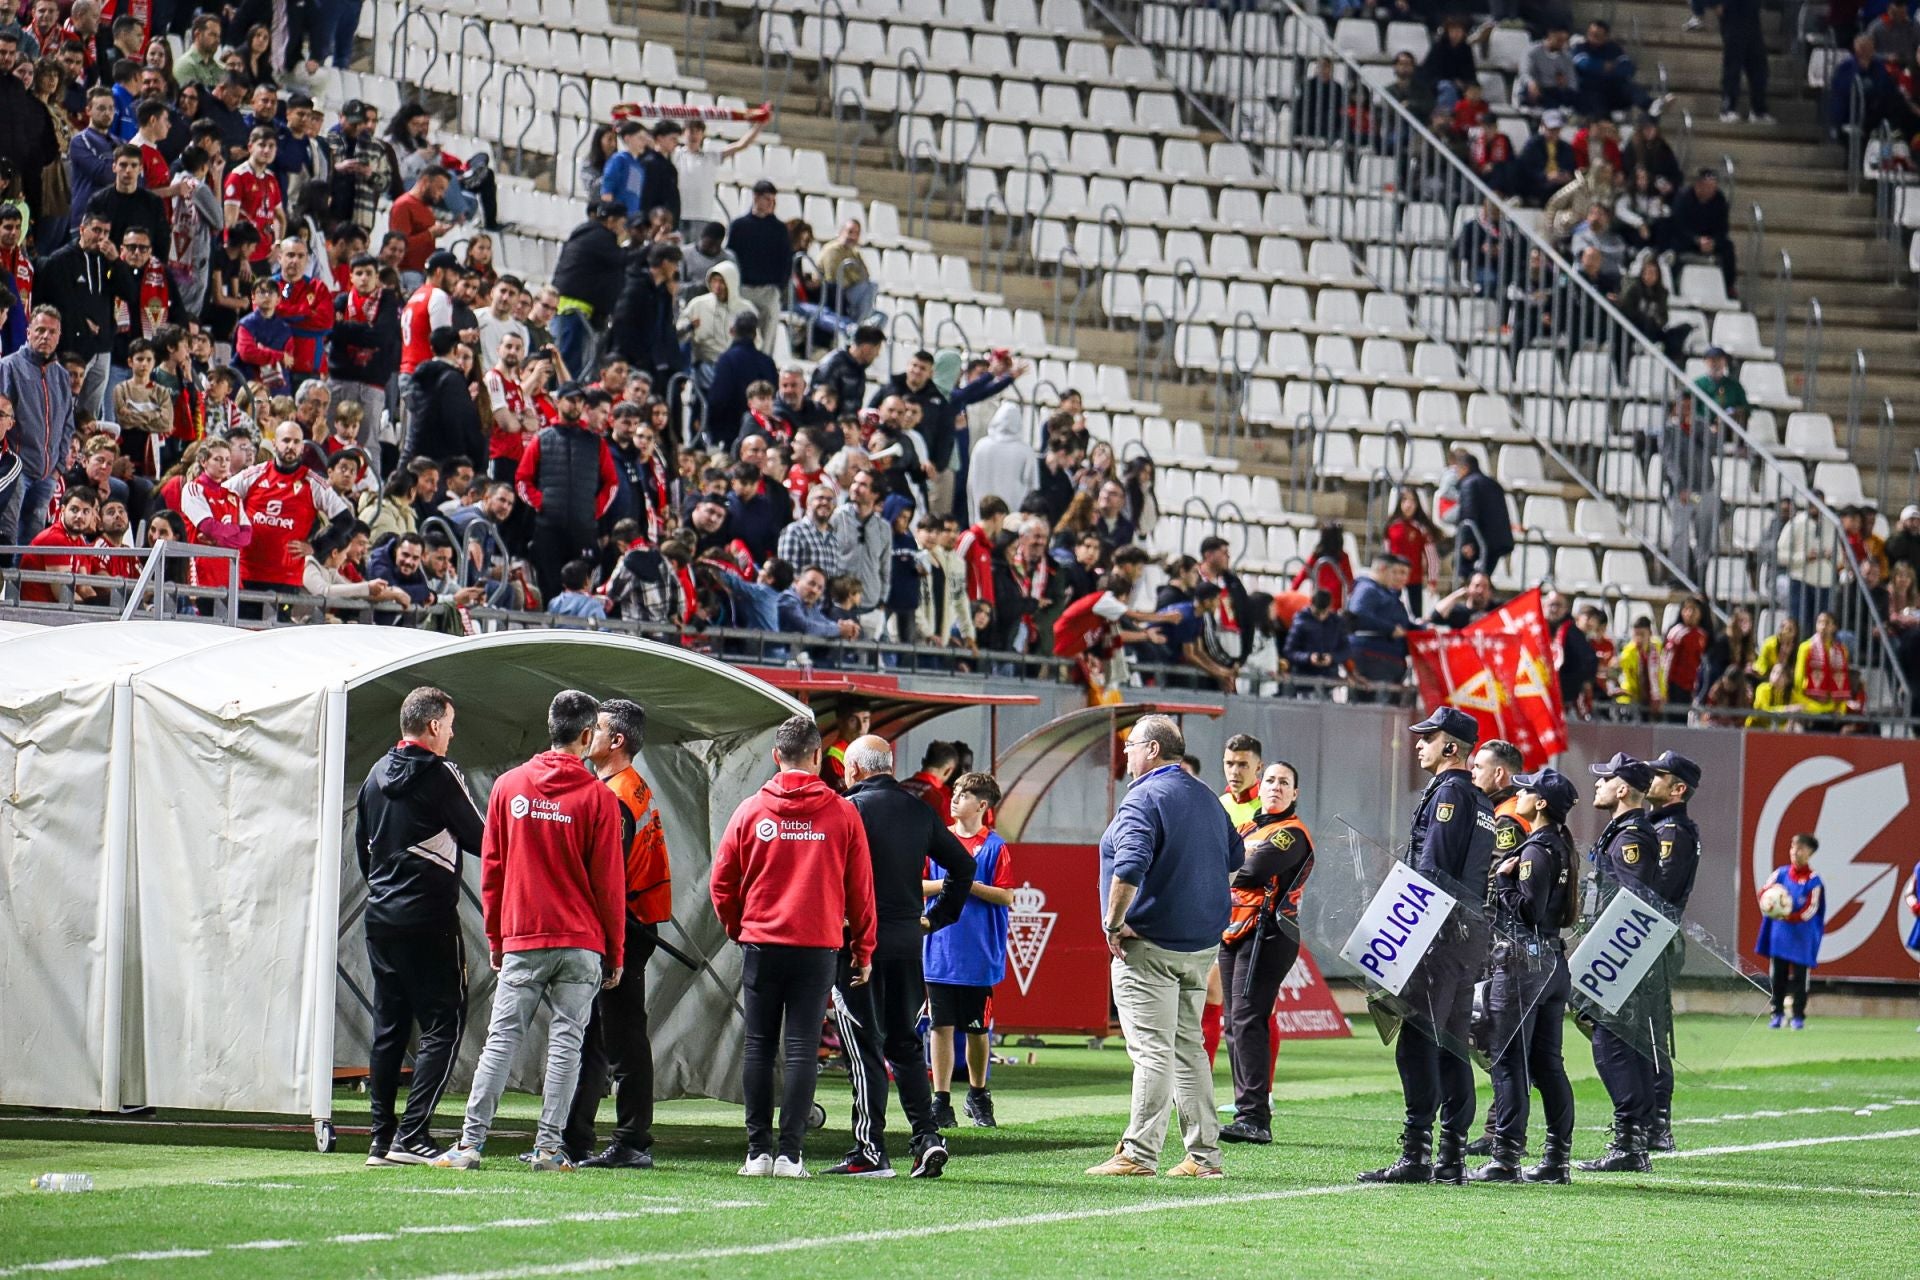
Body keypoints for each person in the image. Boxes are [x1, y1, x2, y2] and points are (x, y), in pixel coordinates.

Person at [435, 691, 627, 1172]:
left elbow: (492, 870)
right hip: (581, 942)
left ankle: (470, 1144)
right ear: (587, 736)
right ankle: (547, 1149)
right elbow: (609, 883)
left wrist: (497, 938)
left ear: (550, 725)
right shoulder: (599, 799)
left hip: (524, 936)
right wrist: (616, 951)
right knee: (568, 1044)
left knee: (500, 1040)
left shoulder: (508, 786)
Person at [710, 714, 877, 1178]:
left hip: (761, 941)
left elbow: (721, 882)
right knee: (803, 1046)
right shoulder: (843, 811)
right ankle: (791, 1155)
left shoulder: (749, 810)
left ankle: (757, 1154)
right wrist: (863, 948)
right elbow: (861, 888)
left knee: (759, 1046)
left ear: (775, 757)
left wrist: (735, 926)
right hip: (817, 945)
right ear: (819, 757)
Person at [1087, 714, 1240, 1178]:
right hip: (1198, 947)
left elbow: (1129, 865)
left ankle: (1138, 1153)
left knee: (1152, 1052)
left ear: (1152, 750)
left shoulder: (1145, 798)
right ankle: (1203, 1156)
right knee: (1188, 1049)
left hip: (1150, 945)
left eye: (1131, 744)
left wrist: (1114, 923)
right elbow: (1236, 859)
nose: (1126, 752)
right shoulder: (1206, 796)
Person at [825, 735, 975, 1178]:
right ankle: (926, 1137)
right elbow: (963, 866)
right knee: (906, 1044)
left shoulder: (846, 809)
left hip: (858, 945)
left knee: (864, 1045)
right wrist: (937, 917)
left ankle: (870, 1151)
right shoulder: (918, 809)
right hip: (908, 942)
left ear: (853, 769)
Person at [1359, 706, 1494, 1186]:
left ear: (1451, 747)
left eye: (1429, 737)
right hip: (1466, 936)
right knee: (1452, 1043)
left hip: (1435, 934)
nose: (1419, 744)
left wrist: (1400, 935)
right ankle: (1452, 1157)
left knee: (1417, 1039)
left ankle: (1417, 1153)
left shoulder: (1451, 794)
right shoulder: (1480, 800)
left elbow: (1431, 873)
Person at [353, 687, 485, 1166]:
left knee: (388, 1028)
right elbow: (481, 839)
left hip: (381, 918)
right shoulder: (442, 773)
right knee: (443, 1024)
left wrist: (388, 891)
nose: (452, 733)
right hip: (429, 918)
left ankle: (380, 1139)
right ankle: (413, 1135)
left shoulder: (373, 775)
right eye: (449, 724)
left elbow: (362, 850)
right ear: (432, 726)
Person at [560, 699, 673, 1169]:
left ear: (617, 741)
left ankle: (629, 1141)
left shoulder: (614, 796)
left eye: (598, 728)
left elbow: (609, 876)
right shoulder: (631, 788)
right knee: (604, 1037)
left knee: (614, 1039)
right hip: (636, 923)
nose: (590, 733)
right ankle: (582, 1139)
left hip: (623, 927)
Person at [1470, 767, 1579, 1184]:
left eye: (1527, 791)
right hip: (1552, 961)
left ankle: (1506, 1158)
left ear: (1542, 804)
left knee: (1509, 1061)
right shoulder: (1562, 847)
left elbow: (1528, 911)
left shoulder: (1535, 851)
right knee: (1549, 1065)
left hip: (1522, 964)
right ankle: (1556, 1161)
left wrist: (1502, 881)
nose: (1520, 795)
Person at [1217, 760, 1314, 1147]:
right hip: (1233, 930)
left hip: (1269, 933)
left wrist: (1219, 870)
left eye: (1284, 782)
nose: (1275, 786)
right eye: (1270, 780)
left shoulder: (1293, 833)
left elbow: (1251, 871)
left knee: (1247, 1019)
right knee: (1233, 1022)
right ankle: (1248, 1110)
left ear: (1294, 793)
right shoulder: (1249, 827)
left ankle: (1255, 1116)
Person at [1576, 753, 1662, 1174]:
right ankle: (1633, 1138)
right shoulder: (1625, 830)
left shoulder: (1632, 835)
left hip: (1618, 953)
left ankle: (1630, 1140)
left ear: (1623, 788)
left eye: (1604, 779)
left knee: (1613, 1043)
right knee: (1621, 1043)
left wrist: (1608, 956)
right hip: (1615, 951)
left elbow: (1632, 900)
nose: (1598, 785)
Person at [923, 770, 1014, 1131]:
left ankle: (978, 1094)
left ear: (981, 805)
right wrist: (949, 882)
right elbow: (919, 884)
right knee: (939, 1026)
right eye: (955, 792)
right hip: (939, 952)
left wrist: (971, 886)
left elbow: (1006, 895)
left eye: (962, 794)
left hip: (978, 956)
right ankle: (940, 1099)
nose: (954, 799)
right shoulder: (936, 842)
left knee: (978, 1029)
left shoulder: (995, 847)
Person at [1756, 833, 1825, 1030]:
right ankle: (1776, 1013)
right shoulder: (1780, 874)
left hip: (1802, 935)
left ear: (1810, 853)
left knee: (1800, 978)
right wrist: (1771, 899)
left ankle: (1798, 1016)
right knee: (1777, 976)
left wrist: (1788, 914)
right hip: (1780, 934)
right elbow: (1764, 893)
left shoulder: (1814, 881)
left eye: (1801, 848)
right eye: (1793, 847)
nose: (1795, 852)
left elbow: (1811, 909)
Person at [1449, 447, 1512, 578]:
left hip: (1479, 542)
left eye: (1457, 470)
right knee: (1483, 576)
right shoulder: (1494, 484)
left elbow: (1468, 514)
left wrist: (1467, 541)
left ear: (1464, 468)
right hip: (1497, 542)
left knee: (1463, 571)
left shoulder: (1469, 484)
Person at [1218, 733, 1263, 829]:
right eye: (1229, 764)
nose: (1234, 772)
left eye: (1242, 765)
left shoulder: (1269, 806)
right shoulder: (1219, 804)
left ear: (1258, 767)